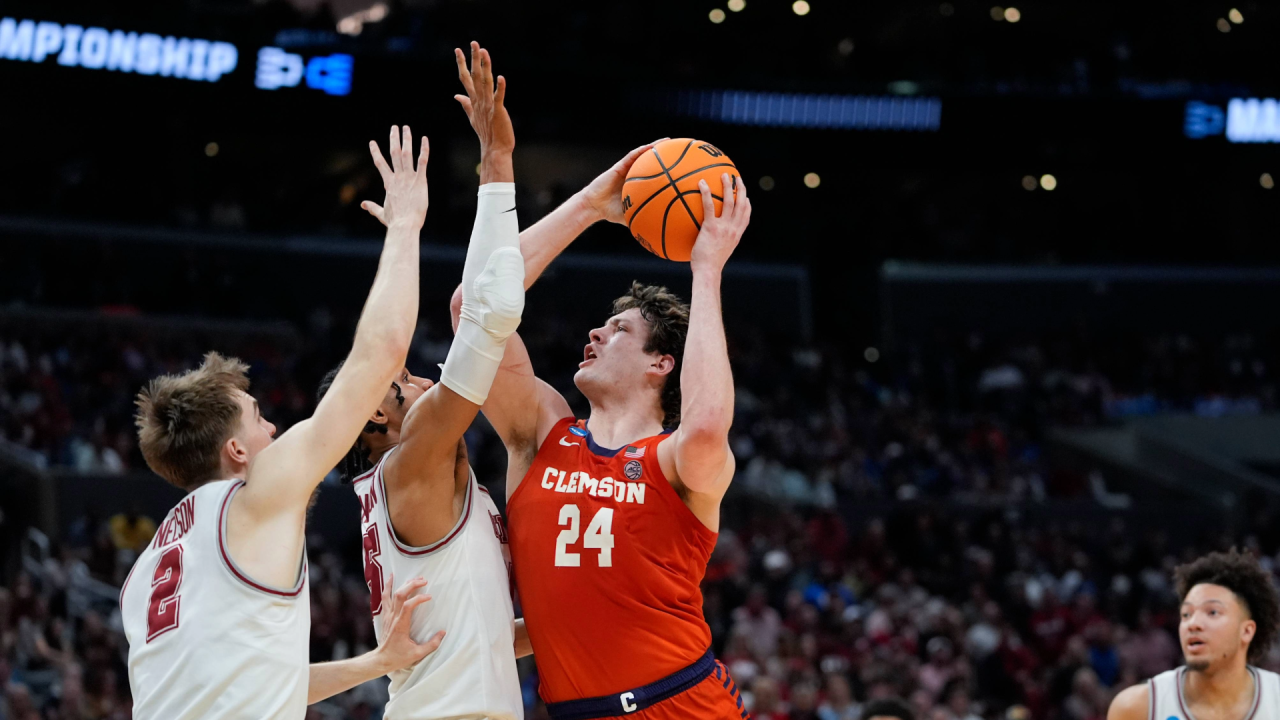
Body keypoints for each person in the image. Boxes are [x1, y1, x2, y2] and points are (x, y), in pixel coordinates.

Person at [123, 125, 443, 719]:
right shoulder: (255, 496)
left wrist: (377, 663)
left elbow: (259, 684)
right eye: (259, 418)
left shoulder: (146, 572)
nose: (274, 430)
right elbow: (380, 357)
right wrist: (405, 228)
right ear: (236, 451)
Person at [455, 137, 753, 716]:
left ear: (661, 364)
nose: (593, 334)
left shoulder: (677, 460)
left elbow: (709, 424)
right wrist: (591, 202)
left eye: (617, 329)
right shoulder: (542, 431)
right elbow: (473, 307)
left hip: (682, 703)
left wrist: (707, 268)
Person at [319, 42, 528, 720]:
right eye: (398, 382)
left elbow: (478, 636)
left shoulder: (410, 480)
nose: (411, 376)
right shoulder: (412, 462)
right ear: (375, 422)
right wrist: (496, 171)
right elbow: (485, 319)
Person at [1107, 548, 1280, 720]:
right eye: (1186, 614)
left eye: (1212, 612)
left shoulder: (1275, 699)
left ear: (1246, 631)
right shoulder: (1136, 708)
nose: (1193, 624)